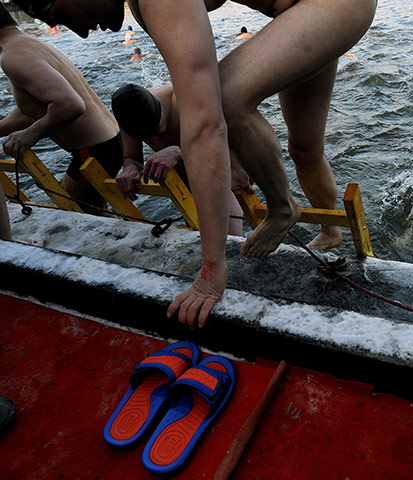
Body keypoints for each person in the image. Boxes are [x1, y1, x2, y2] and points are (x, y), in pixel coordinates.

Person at [13, 0, 376, 330]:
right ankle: (332, 232)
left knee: (226, 98)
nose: (76, 32)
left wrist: (212, 268)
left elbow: (205, 124)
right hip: (302, 13)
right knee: (305, 148)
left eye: (59, 16)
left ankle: (282, 207)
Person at [0, 5, 123, 215]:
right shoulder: (27, 44)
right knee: (95, 210)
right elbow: (30, 111)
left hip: (93, 151)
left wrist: (30, 135)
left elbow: (70, 104)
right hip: (106, 143)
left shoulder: (12, 56)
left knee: (77, 213)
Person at [111, 83, 244, 236]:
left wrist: (178, 151)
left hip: (221, 168)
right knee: (200, 235)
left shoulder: (186, 103)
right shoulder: (129, 115)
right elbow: (132, 157)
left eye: (157, 133)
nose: (154, 141)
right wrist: (130, 168)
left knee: (229, 240)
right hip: (187, 176)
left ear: (160, 108)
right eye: (146, 138)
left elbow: (219, 154)